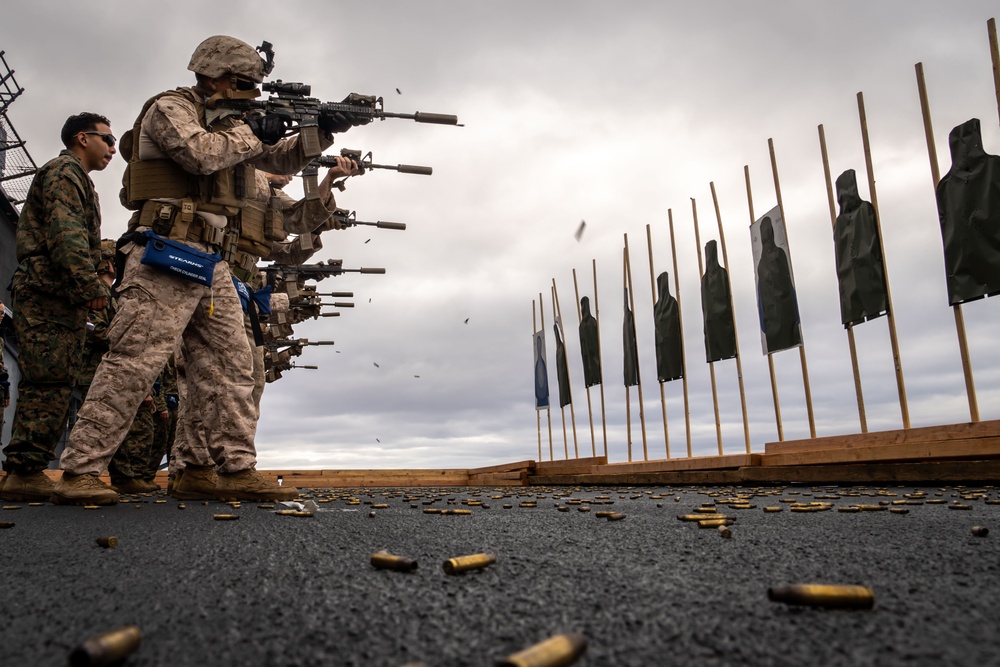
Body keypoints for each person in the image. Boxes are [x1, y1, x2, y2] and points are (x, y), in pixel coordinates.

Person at [53, 35, 365, 505]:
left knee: (231, 365)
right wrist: (256, 129)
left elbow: (275, 160)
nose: (248, 95)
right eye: (241, 84)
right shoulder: (169, 108)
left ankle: (221, 469)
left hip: (210, 261)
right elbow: (199, 153)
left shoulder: (234, 123)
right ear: (212, 75)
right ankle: (81, 469)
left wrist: (323, 130)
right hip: (166, 250)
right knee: (135, 361)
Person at [0, 113, 115, 502]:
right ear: (82, 138)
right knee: (47, 383)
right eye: (108, 139)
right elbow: (66, 236)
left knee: (54, 382)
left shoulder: (79, 180)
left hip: (57, 296)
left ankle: (25, 471)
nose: (113, 148)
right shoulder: (65, 172)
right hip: (48, 294)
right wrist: (89, 285)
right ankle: (24, 471)